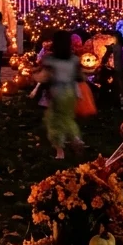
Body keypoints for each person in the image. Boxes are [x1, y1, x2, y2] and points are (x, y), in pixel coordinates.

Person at [38, 31, 83, 159]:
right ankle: (75, 138)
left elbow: (45, 77)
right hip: (71, 92)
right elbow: (79, 77)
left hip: (57, 92)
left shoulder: (50, 60)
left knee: (53, 121)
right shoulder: (74, 59)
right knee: (68, 118)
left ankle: (59, 152)